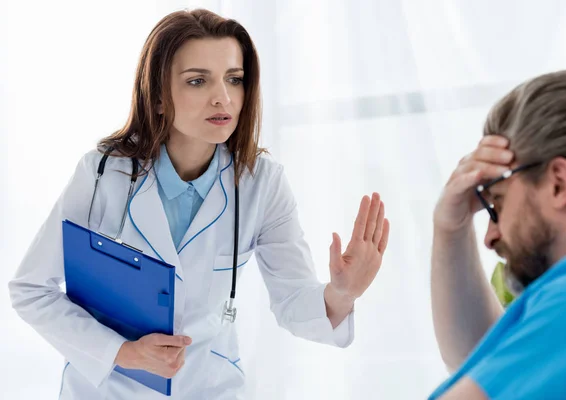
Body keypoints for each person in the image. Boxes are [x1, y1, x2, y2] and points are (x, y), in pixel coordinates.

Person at [8, 9, 390, 399]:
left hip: (210, 388)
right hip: (107, 389)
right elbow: (32, 290)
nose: (222, 97)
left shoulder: (262, 183)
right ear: (158, 97)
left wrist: (342, 293)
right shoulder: (104, 173)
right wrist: (123, 353)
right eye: (197, 80)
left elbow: (293, 301)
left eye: (234, 79)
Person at [428, 68, 566, 399]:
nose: (490, 237)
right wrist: (451, 228)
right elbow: (485, 364)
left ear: (558, 183)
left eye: (498, 204)